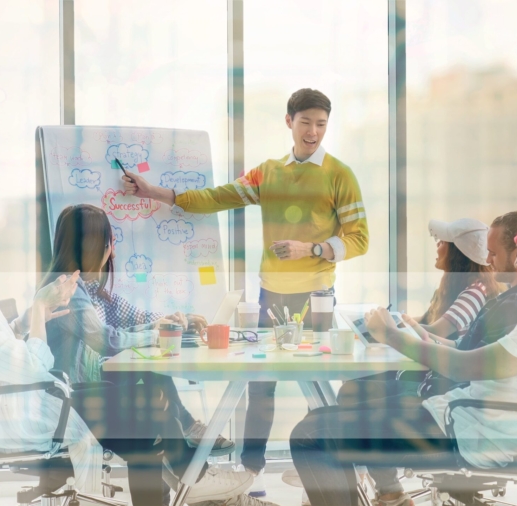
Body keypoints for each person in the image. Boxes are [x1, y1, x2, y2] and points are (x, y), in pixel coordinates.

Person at [0, 199, 263, 506]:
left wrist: (28, 318)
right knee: (145, 414)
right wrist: (39, 311)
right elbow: (34, 365)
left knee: (146, 415)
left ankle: (195, 480)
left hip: (28, 399)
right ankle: (197, 480)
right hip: (22, 411)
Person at [122, 88, 370, 495]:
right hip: (272, 295)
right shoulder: (268, 173)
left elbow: (359, 239)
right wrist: (155, 193)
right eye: (305, 122)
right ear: (289, 121)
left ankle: (332, 470)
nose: (313, 132)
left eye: (321, 124)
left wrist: (313, 249)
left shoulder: (339, 175)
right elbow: (216, 198)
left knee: (319, 385)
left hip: (317, 297)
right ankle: (247, 474)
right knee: (260, 387)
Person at [289, 208, 517, 506]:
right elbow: (474, 357)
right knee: (318, 423)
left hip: (461, 437)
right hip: (460, 421)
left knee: (310, 435)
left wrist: (391, 335)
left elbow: (461, 366)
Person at [43, 205, 269, 505]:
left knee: (151, 390)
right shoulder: (66, 290)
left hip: (87, 392)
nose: (112, 252)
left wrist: (174, 321)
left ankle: (195, 467)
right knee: (150, 413)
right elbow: (106, 340)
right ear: (98, 245)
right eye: (110, 243)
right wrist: (157, 334)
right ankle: (196, 473)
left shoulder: (88, 288)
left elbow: (130, 318)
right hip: (74, 402)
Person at [336, 203, 517, 407]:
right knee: (348, 392)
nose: (487, 259)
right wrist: (412, 330)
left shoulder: (510, 303)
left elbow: (464, 365)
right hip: (437, 390)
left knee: (348, 394)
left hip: (441, 398)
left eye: (493, 253)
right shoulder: (506, 301)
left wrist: (393, 334)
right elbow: (461, 347)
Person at [416, 218, 502, 344]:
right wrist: (395, 320)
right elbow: (425, 320)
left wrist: (388, 329)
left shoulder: (476, 292)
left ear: (457, 253)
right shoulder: (454, 288)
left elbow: (436, 331)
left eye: (442, 242)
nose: (437, 245)